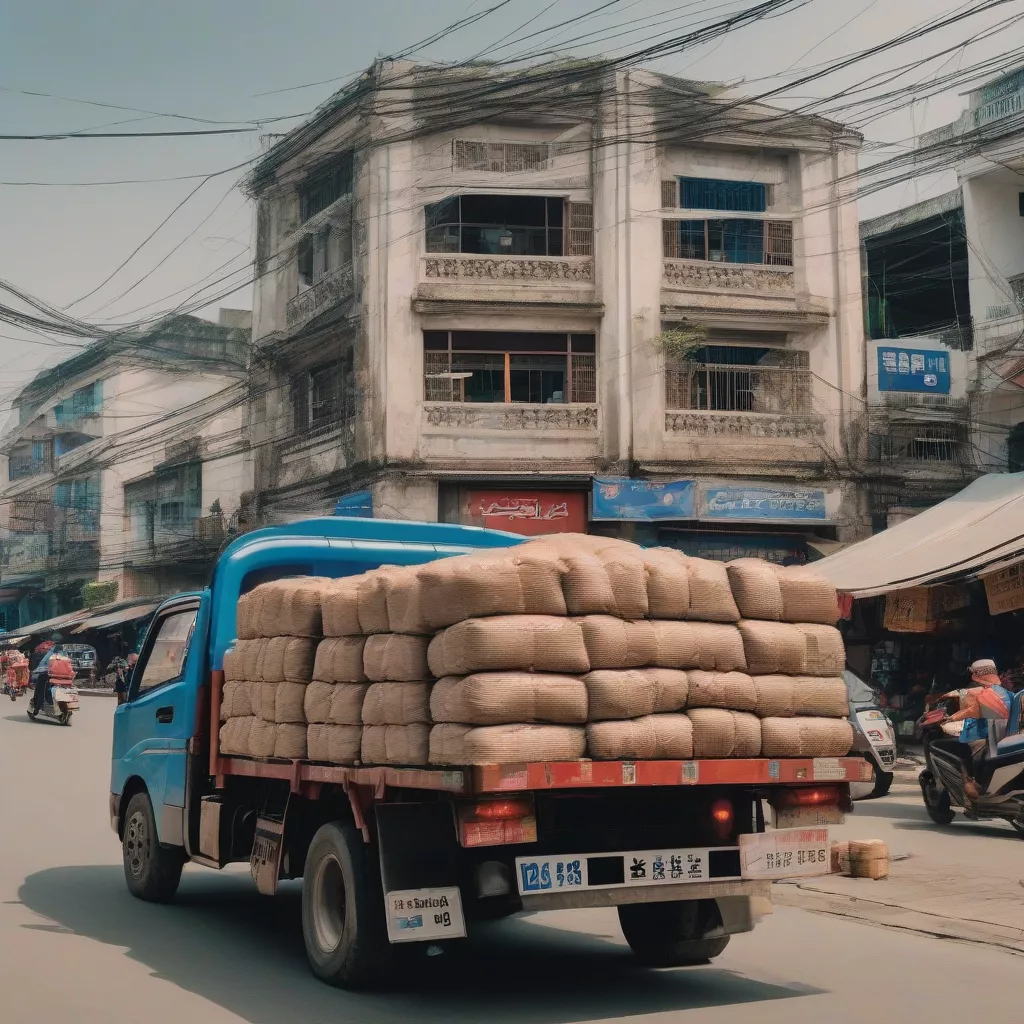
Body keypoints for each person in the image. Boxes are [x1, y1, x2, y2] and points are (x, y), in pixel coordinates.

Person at [935, 659, 1013, 800]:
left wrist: (951, 718)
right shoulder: (1006, 693)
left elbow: (973, 711)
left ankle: (972, 785)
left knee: (962, 752)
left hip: (984, 739)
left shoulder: (987, 695)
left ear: (977, 675)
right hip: (1003, 739)